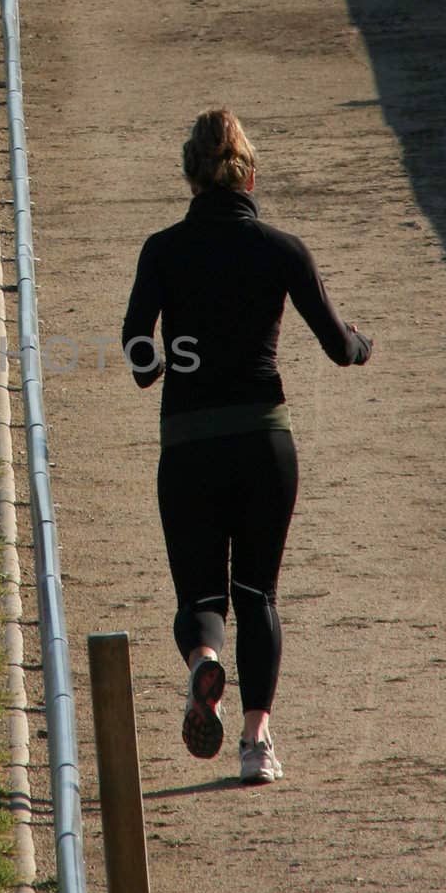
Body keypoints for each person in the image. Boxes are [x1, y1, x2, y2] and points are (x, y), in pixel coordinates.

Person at [122, 110, 371, 785]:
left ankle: (206, 662)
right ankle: (258, 743)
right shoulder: (281, 249)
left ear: (189, 177)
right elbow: (339, 348)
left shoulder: (162, 250)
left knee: (201, 596)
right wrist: (362, 342)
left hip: (190, 447)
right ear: (249, 175)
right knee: (258, 593)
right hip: (265, 441)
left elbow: (139, 358)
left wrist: (170, 353)